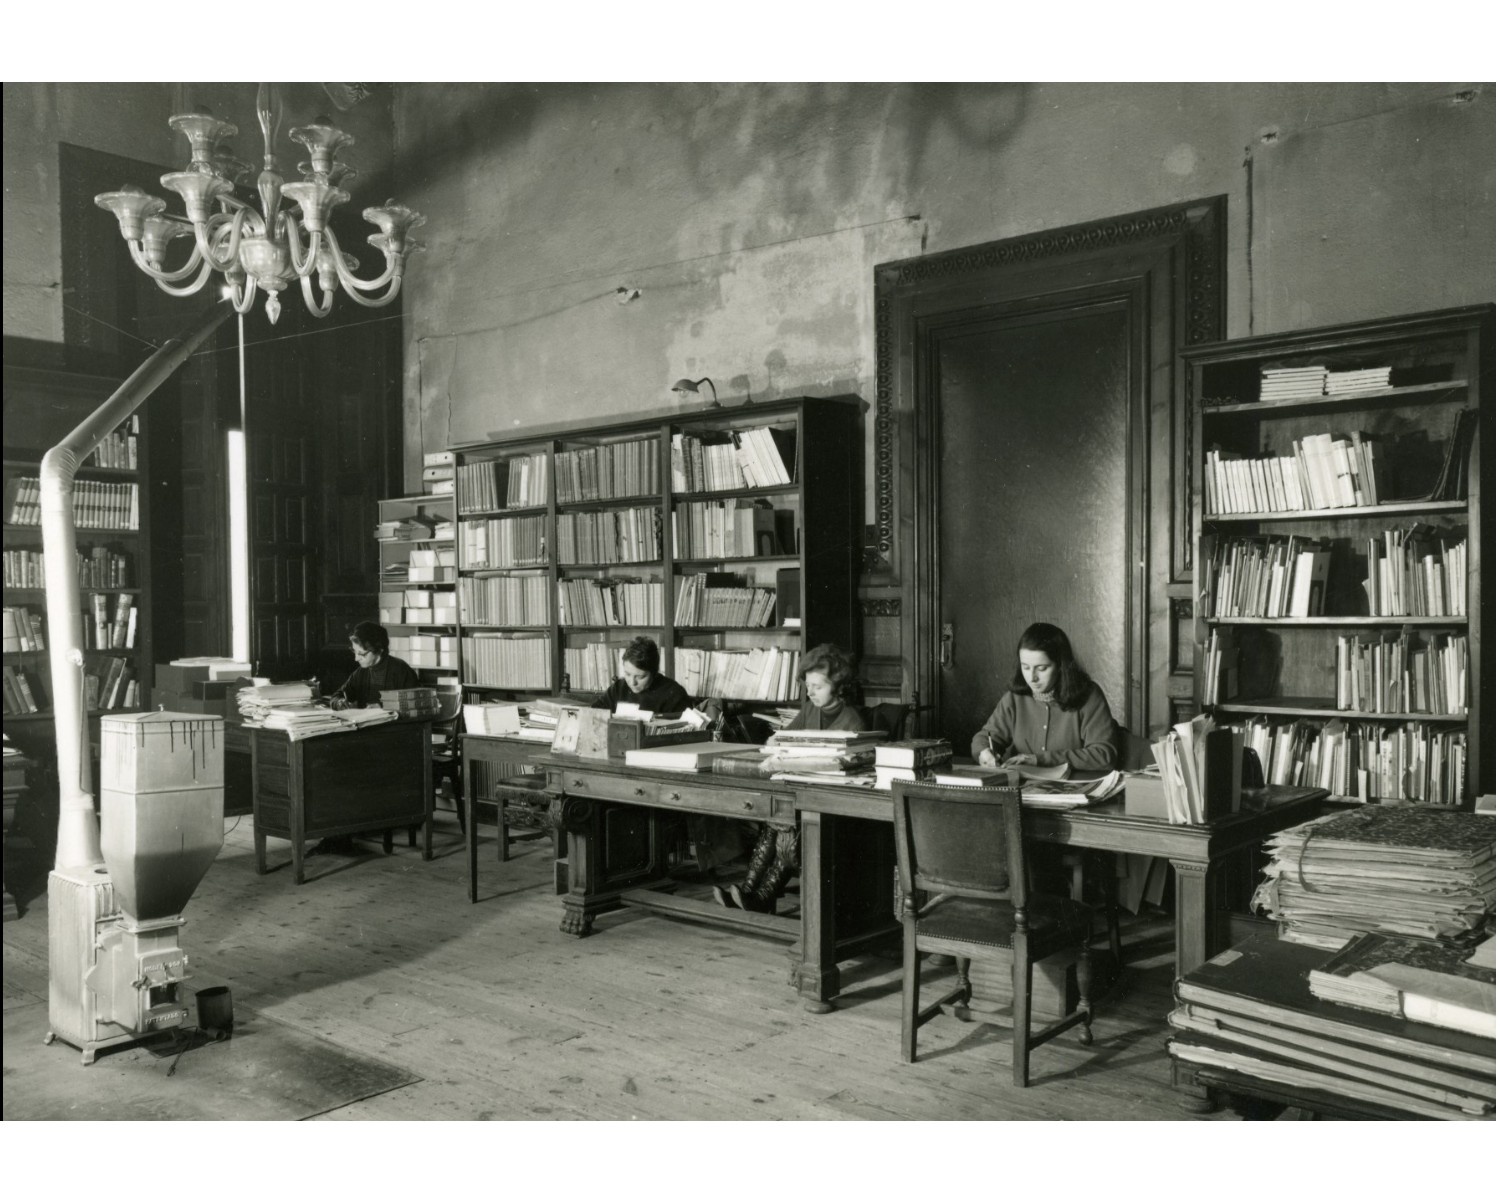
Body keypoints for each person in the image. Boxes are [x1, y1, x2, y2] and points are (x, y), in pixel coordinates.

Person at [715, 643, 866, 913]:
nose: (810, 692)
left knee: (784, 825)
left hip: (830, 803)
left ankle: (761, 896)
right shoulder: (810, 710)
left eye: (817, 687)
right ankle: (750, 891)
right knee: (778, 821)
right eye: (807, 686)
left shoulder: (852, 720)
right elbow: (785, 736)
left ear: (838, 684)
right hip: (800, 794)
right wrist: (775, 741)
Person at [971, 622, 1116, 772]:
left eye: (1041, 668)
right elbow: (983, 738)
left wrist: (1039, 760)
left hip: (1073, 788)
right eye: (1025, 667)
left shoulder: (1089, 695)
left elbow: (1103, 755)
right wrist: (984, 752)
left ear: (1060, 665)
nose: (1032, 678)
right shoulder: (1014, 698)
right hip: (1024, 788)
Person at [329, 621, 422, 709]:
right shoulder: (361, 672)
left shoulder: (402, 671)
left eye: (361, 654)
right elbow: (337, 695)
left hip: (393, 725)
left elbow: (417, 704)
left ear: (379, 650)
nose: (356, 659)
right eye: (354, 651)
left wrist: (384, 708)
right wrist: (340, 702)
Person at [590, 635, 691, 715]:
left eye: (640, 677)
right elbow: (592, 714)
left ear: (654, 673)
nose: (632, 682)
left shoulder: (674, 693)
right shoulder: (618, 688)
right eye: (627, 674)